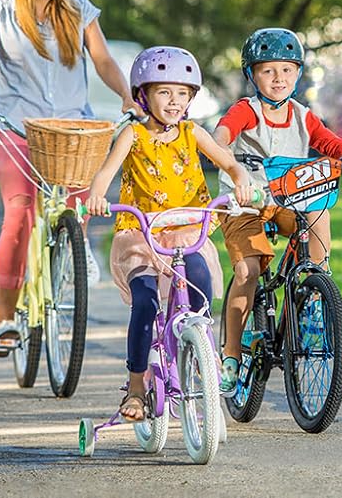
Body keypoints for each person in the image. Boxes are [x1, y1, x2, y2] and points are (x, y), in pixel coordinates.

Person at [0, 0, 135, 357]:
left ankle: (70, 257)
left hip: (70, 130)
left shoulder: (79, 9)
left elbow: (101, 60)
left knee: (77, 206)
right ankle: (5, 318)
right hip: (16, 129)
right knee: (20, 213)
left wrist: (126, 96)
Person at [84, 46, 252, 421]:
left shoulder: (194, 133)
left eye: (182, 93)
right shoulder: (133, 135)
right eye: (164, 92)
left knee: (200, 289)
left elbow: (229, 163)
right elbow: (106, 172)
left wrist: (241, 181)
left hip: (188, 230)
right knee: (144, 302)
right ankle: (137, 387)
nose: (174, 102)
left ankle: (194, 357)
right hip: (142, 237)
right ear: (143, 95)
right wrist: (96, 196)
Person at [212, 27, 342, 392]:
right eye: (268, 70)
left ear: (298, 74)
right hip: (246, 205)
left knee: (320, 212)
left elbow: (328, 142)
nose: (278, 78)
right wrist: (225, 156)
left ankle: (315, 289)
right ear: (252, 75)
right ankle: (230, 354)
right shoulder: (246, 111)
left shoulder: (302, 115)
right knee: (247, 270)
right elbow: (221, 136)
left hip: (288, 200)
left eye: (287, 70)